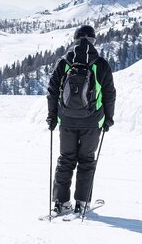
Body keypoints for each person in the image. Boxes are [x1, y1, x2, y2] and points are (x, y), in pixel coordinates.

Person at [46, 25, 116, 216]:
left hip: (66, 120)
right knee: (86, 160)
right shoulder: (100, 64)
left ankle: (61, 203)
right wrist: (108, 118)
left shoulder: (64, 62)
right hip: (92, 122)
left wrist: (52, 116)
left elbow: (52, 91)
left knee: (66, 160)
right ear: (94, 41)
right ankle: (82, 203)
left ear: (75, 40)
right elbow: (109, 94)